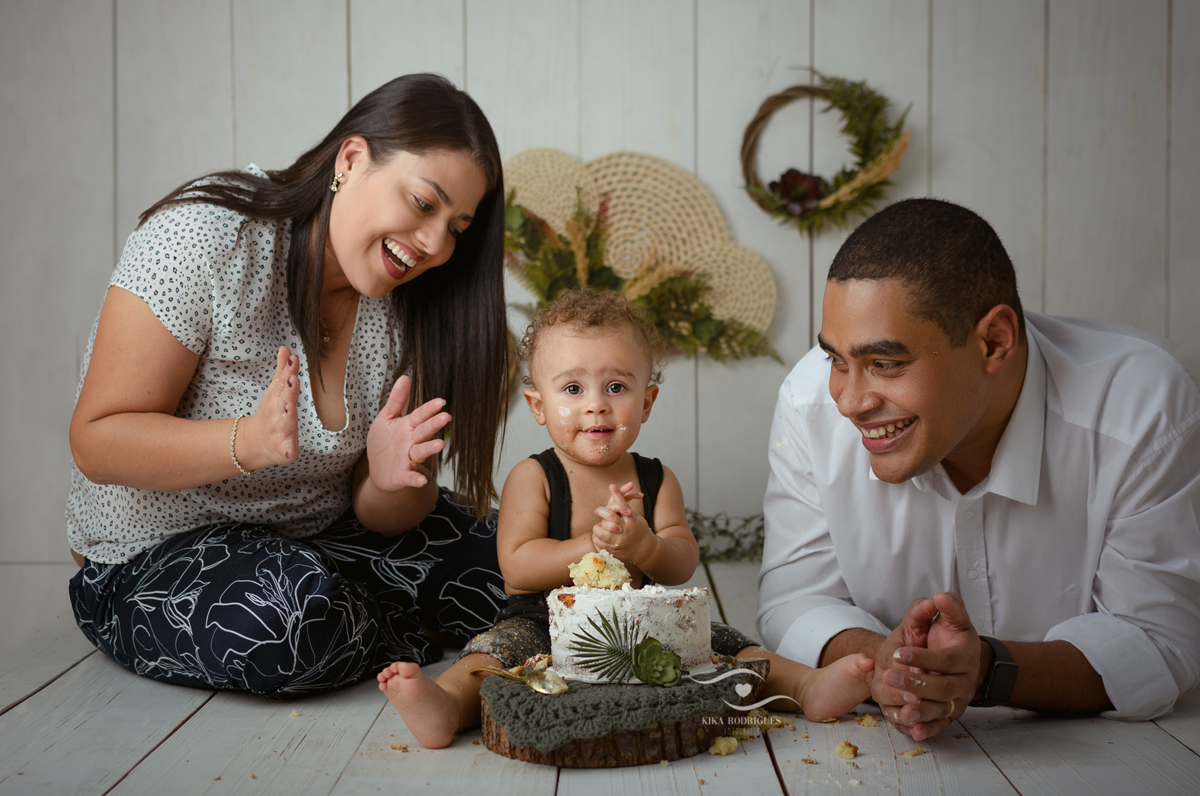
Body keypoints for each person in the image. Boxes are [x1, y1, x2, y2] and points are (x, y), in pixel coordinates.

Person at [66, 74, 512, 698]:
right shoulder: (207, 236)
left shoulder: (416, 300)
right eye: (422, 203)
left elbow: (380, 514)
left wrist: (388, 481)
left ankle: (362, 617)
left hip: (325, 542)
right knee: (286, 622)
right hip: (153, 550)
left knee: (527, 565)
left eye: (457, 228)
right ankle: (404, 626)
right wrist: (246, 442)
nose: (436, 244)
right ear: (350, 161)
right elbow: (97, 440)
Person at [757, 197, 1200, 741]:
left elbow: (1160, 641)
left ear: (994, 342)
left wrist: (986, 671)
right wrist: (887, 663)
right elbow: (794, 600)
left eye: (886, 364)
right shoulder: (808, 403)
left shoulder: (1144, 408)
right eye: (836, 359)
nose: (848, 402)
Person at [378, 289, 876, 748]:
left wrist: (645, 547)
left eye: (615, 386)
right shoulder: (534, 477)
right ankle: (447, 705)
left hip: (644, 621)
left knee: (725, 644)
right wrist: (591, 546)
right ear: (538, 406)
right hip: (544, 621)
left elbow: (681, 562)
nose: (596, 405)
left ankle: (804, 686)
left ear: (647, 402)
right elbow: (518, 566)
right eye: (573, 388)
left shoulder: (657, 480)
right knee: (493, 653)